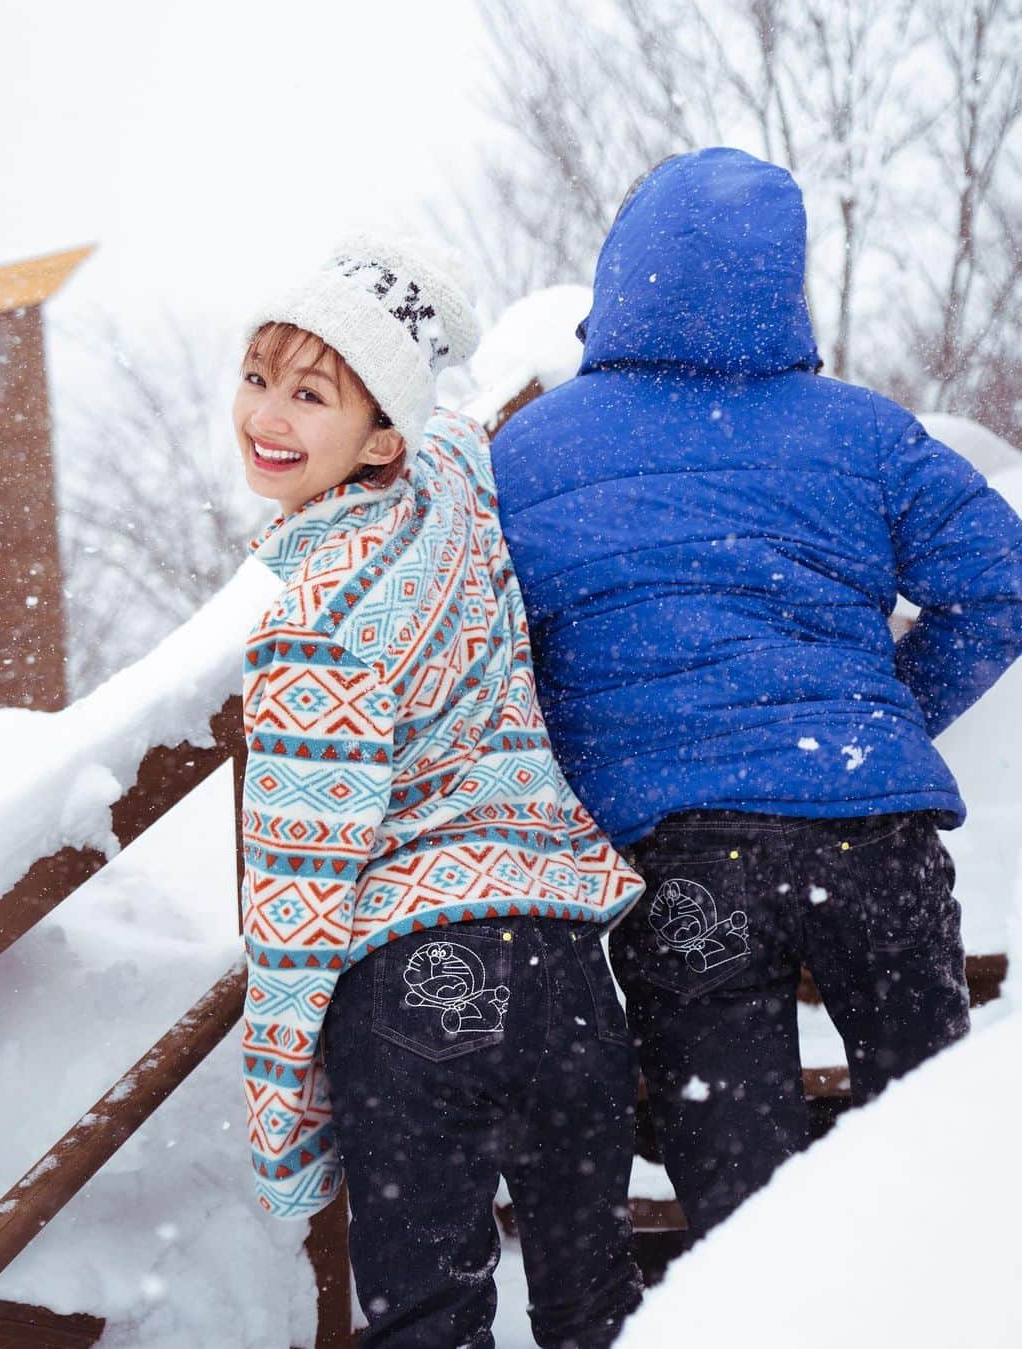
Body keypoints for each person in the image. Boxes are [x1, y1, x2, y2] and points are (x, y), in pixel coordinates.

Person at [489, 147, 1022, 1240]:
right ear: (782, 283)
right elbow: (1001, 583)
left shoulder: (529, 455)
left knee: (743, 1193)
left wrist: (603, 756)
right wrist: (886, 720)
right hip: (876, 839)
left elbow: (490, 652)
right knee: (936, 1157)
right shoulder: (862, 432)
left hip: (686, 857)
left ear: (621, 274)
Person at [234, 234, 645, 1347]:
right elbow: (459, 424)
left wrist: (282, 1114)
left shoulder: (311, 618)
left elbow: (298, 879)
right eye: (259, 375)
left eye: (311, 393)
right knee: (592, 1303)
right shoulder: (456, 488)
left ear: (381, 432)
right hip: (563, 964)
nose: (267, 414)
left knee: (428, 1318)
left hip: (411, 980)